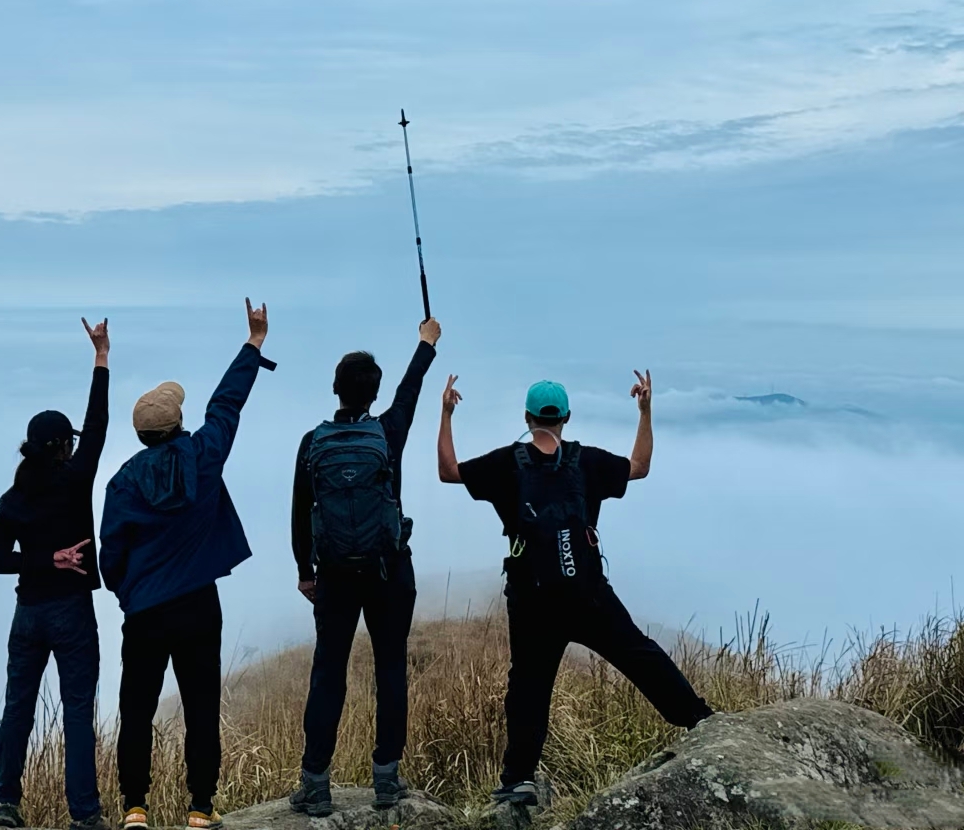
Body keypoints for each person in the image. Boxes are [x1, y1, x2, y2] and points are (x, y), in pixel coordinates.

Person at [436, 370, 713, 809]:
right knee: (638, 653)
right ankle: (699, 719)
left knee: (528, 686)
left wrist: (446, 414)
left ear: (527, 418)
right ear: (566, 417)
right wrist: (645, 411)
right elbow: (639, 467)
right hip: (587, 593)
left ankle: (518, 779)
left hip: (532, 599)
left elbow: (449, 472)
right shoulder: (587, 462)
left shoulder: (506, 463)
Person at [100, 299, 274, 830]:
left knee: (136, 709)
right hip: (198, 605)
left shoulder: (122, 483)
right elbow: (226, 405)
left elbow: (111, 557)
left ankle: (135, 808)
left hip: (145, 612)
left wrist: (130, 593)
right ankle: (201, 807)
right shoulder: (203, 456)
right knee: (201, 705)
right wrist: (254, 342)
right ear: (177, 424)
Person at [288, 317, 442, 817]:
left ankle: (316, 785)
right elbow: (410, 389)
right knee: (390, 667)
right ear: (374, 394)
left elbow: (300, 510)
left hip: (334, 574)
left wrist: (305, 571)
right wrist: (426, 344)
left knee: (328, 672)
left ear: (335, 390)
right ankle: (386, 781)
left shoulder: (312, 442)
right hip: (388, 570)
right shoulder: (389, 431)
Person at [0, 318, 112, 830]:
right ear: (63, 447)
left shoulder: (12, 498)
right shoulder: (75, 481)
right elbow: (98, 426)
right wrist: (101, 357)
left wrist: (39, 560)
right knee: (77, 713)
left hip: (27, 616)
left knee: (18, 710)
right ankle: (85, 816)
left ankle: (6, 806)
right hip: (71, 613)